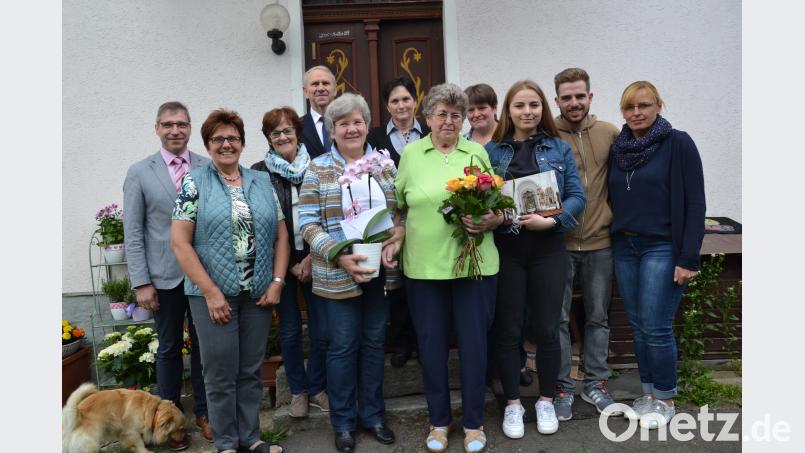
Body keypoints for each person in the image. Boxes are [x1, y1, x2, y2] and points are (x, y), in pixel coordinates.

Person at [171, 108, 289, 453]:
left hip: (257, 293)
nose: (226, 144)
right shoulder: (194, 182)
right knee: (220, 374)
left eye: (233, 138)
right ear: (208, 144)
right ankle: (225, 444)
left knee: (250, 370)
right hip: (211, 295)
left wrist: (277, 282)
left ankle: (251, 439)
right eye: (218, 138)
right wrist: (210, 292)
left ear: (242, 143)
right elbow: (180, 242)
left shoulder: (260, 181)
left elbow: (281, 236)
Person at [395, 83, 502, 453]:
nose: (449, 120)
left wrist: (490, 219)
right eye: (441, 113)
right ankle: (439, 422)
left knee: (474, 347)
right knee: (431, 348)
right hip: (424, 270)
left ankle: (473, 423)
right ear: (427, 118)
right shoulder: (410, 154)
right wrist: (394, 235)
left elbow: (500, 206)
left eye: (456, 114)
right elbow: (397, 205)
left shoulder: (476, 152)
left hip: (473, 267)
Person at [298, 93, 404, 453]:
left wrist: (397, 239)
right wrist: (339, 254)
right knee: (342, 348)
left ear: (366, 125)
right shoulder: (317, 169)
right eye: (343, 123)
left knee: (375, 344)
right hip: (337, 273)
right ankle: (343, 423)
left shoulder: (384, 165)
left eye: (357, 121)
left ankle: (373, 416)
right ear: (332, 130)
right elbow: (308, 224)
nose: (352, 128)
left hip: (380, 271)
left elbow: (401, 212)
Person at [485, 80, 586, 439]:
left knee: (546, 328)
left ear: (543, 108)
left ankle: (545, 399)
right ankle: (512, 403)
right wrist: (494, 211)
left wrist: (553, 220)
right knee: (509, 329)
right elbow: (482, 198)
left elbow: (576, 196)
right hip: (508, 250)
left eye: (534, 105)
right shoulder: (492, 152)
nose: (527, 111)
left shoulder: (558, 147)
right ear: (508, 111)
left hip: (548, 250)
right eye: (519, 106)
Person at [608, 81, 705, 430]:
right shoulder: (619, 148)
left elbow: (695, 203)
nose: (636, 113)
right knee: (638, 326)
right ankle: (647, 393)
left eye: (644, 105)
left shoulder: (678, 143)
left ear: (658, 105)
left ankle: (666, 397)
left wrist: (689, 257)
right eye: (629, 107)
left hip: (662, 246)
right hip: (625, 246)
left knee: (656, 326)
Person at [123, 101, 212, 450]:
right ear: (157, 128)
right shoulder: (140, 172)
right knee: (170, 349)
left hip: (203, 274)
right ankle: (169, 421)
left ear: (190, 128)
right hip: (163, 277)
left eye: (182, 124)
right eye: (168, 125)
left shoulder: (206, 166)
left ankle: (206, 413)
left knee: (206, 348)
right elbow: (133, 231)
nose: (175, 130)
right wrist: (141, 281)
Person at [551, 68, 621, 421]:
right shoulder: (548, 134)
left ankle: (595, 383)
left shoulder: (609, 133)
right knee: (558, 319)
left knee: (598, 318)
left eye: (580, 96)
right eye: (567, 97)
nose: (574, 103)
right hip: (559, 244)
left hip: (600, 242)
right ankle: (563, 387)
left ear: (590, 96)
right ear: (557, 101)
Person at [251, 107, 330, 418]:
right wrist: (283, 264)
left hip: (317, 255)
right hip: (280, 260)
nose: (282, 136)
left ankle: (318, 388)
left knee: (323, 329)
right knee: (290, 331)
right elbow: (260, 222)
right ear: (269, 139)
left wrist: (313, 255)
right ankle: (298, 391)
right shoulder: (258, 172)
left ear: (298, 133)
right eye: (275, 133)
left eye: (287, 130)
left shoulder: (319, 166)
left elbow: (328, 213)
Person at [367, 76, 431, 368]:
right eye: (394, 100)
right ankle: (402, 342)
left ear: (415, 101)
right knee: (396, 284)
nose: (401, 105)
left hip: (425, 220)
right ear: (387, 106)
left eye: (406, 99)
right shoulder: (375, 137)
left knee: (423, 281)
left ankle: (424, 340)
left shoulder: (430, 131)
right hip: (391, 221)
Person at [301, 65, 338, 158]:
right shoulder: (296, 127)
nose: (321, 88)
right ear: (305, 92)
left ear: (335, 90)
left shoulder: (349, 123)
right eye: (315, 84)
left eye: (325, 83)